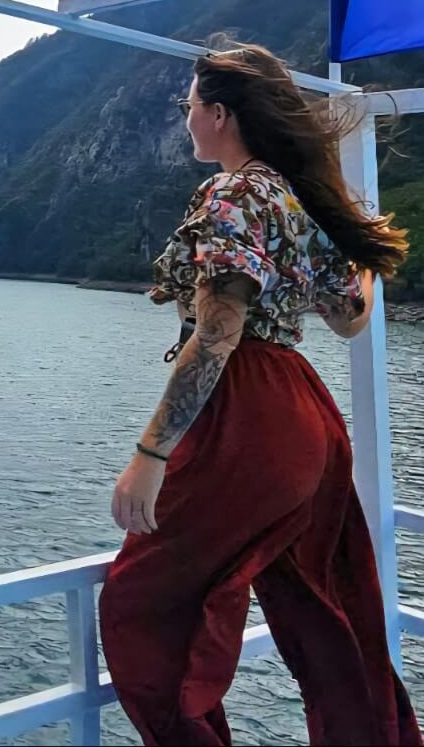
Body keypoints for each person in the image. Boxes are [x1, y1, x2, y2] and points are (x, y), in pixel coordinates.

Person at [98, 42, 421, 747]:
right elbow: (350, 317)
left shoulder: (235, 194)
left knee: (142, 609)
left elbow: (217, 335)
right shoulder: (297, 198)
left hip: (249, 412)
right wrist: (361, 256)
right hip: (306, 415)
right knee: (324, 612)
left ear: (219, 114)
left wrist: (149, 455)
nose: (186, 117)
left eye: (188, 105)